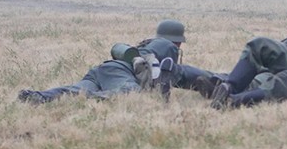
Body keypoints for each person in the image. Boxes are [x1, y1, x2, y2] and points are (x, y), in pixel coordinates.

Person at [17, 21, 183, 104]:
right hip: (119, 72)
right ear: (176, 42)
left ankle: (37, 96)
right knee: (129, 92)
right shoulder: (166, 47)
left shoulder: (145, 46)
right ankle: (89, 98)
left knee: (75, 90)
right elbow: (178, 73)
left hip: (101, 70)